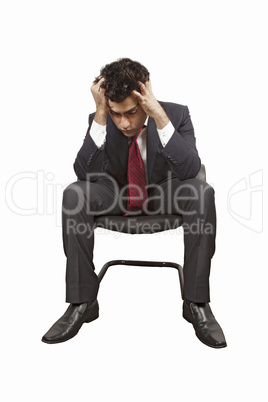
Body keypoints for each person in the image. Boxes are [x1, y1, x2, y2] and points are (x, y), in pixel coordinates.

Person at [42, 58, 227, 348]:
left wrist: (159, 116)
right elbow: (84, 174)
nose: (124, 123)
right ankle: (82, 302)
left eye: (131, 112)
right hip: (114, 192)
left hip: (161, 194)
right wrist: (102, 115)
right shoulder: (101, 118)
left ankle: (196, 302)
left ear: (145, 98)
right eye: (117, 114)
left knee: (201, 192)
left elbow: (191, 170)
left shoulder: (176, 115)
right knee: (74, 193)